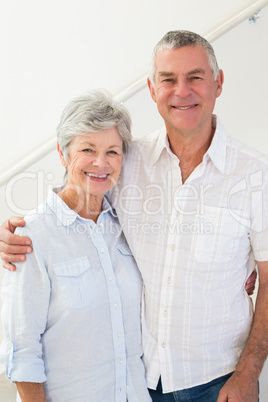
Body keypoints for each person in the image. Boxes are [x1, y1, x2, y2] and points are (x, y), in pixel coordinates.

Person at [0, 30, 267, 401]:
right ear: (151, 88)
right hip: (146, 383)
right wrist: (13, 233)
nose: (181, 91)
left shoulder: (255, 174)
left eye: (195, 77)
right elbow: (75, 205)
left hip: (218, 382)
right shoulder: (130, 162)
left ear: (218, 82)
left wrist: (247, 376)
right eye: (168, 79)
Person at [0, 89, 152, 402]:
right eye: (87, 149)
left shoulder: (127, 223)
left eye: (112, 151)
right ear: (63, 152)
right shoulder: (32, 236)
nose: (101, 163)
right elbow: (22, 352)